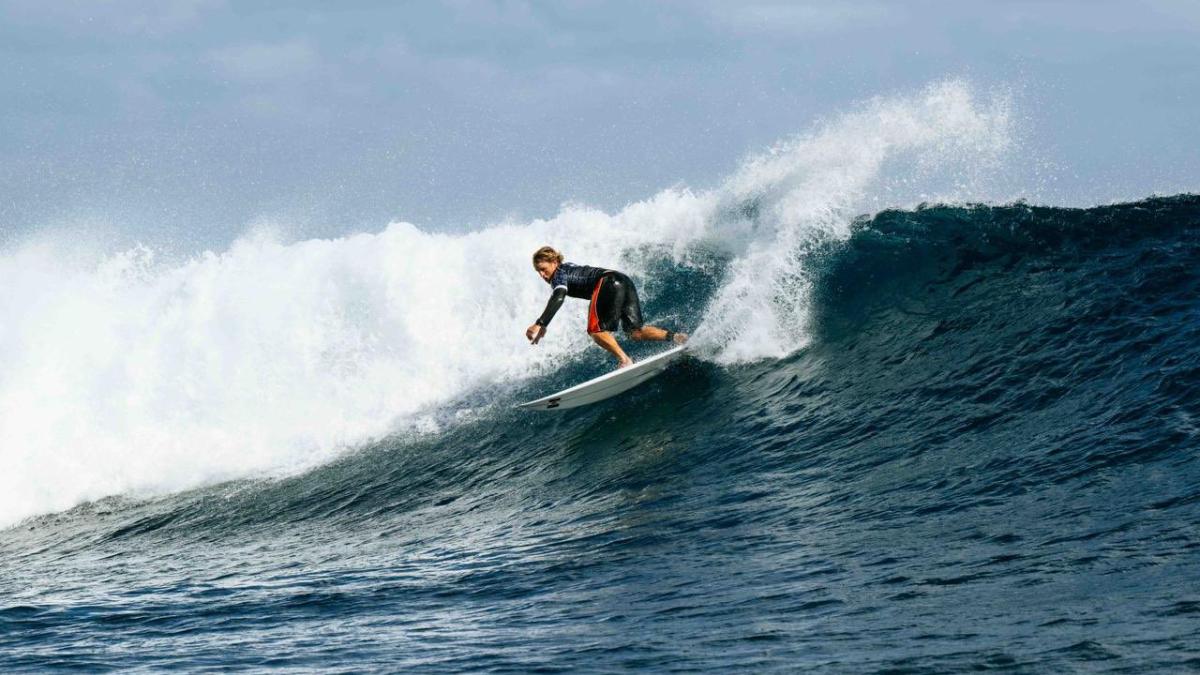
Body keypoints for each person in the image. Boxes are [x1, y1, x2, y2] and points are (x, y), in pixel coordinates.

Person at [526, 246, 687, 368]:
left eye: (543, 269)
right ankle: (678, 338)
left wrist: (540, 323)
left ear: (554, 262)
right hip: (622, 279)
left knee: (595, 331)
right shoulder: (567, 267)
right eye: (537, 271)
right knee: (635, 332)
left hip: (607, 282)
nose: (542, 275)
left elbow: (559, 296)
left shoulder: (559, 274)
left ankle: (624, 360)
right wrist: (545, 324)